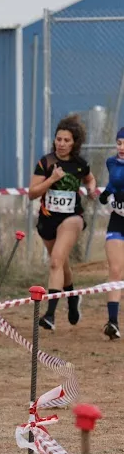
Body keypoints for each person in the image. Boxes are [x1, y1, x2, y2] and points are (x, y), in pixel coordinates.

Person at [29, 114, 96, 331]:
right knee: (61, 263)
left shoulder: (80, 164)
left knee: (56, 261)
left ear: (74, 143)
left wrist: (91, 189)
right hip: (48, 220)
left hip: (72, 217)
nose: (62, 144)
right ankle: (73, 297)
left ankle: (50, 315)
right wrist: (52, 180)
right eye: (59, 139)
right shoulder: (46, 162)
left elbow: (89, 178)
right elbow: (32, 193)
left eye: (67, 140)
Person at [98, 127, 124, 340]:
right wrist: (107, 193)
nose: (121, 147)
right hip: (117, 221)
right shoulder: (111, 162)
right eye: (119, 143)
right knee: (115, 270)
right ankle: (113, 323)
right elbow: (113, 184)